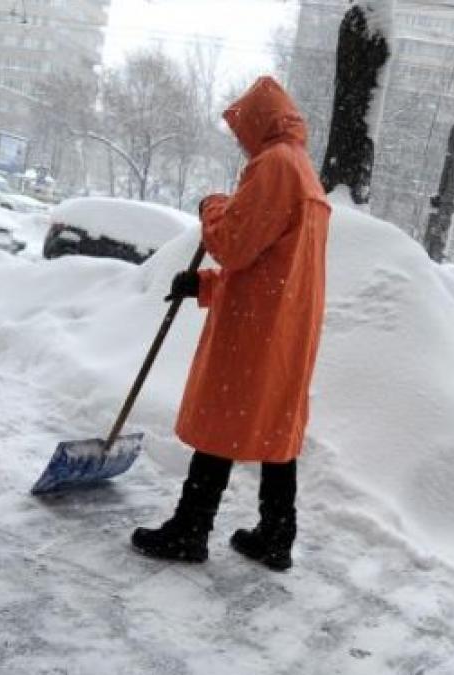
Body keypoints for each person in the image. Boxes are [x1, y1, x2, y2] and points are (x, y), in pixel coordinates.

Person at [131, 76, 331, 572]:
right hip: (286, 328)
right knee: (274, 426)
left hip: (255, 332)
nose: (241, 142)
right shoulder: (305, 172)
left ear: (259, 122)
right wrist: (202, 286)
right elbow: (272, 269)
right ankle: (276, 533)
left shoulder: (274, 167)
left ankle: (190, 529)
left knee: (222, 420)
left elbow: (234, 245)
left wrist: (212, 206)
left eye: (242, 129)